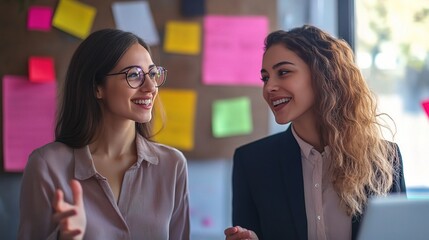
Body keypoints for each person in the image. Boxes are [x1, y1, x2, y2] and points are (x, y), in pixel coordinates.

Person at [224, 25, 406, 240]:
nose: (269, 87)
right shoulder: (252, 162)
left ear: (322, 74)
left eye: (283, 72)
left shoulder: (384, 157)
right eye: (265, 78)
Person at [18, 29, 190, 240]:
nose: (150, 87)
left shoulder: (172, 165)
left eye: (153, 74)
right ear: (97, 87)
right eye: (134, 75)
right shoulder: (47, 165)